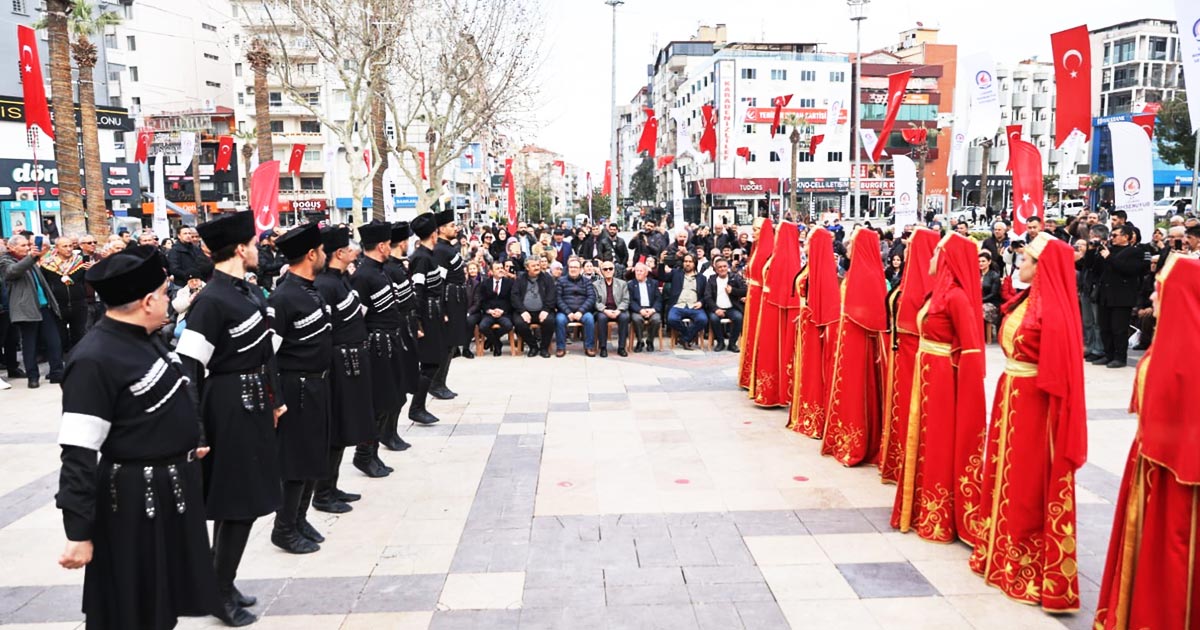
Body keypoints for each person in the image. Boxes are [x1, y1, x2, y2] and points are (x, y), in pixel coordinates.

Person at [54, 245, 220, 630]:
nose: (169, 300)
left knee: (162, 606)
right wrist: (78, 533)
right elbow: (78, 453)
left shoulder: (146, 338)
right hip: (130, 502)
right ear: (147, 301)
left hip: (170, 491)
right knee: (130, 609)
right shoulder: (93, 359)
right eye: (165, 294)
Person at [969, 233, 1087, 612]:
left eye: (1027, 260)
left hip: (1035, 405)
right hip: (1012, 395)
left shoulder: (1053, 311)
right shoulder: (1027, 302)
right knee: (1005, 473)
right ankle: (999, 546)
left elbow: (1060, 373)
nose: (1019, 264)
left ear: (1042, 267)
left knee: (1026, 478)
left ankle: (1026, 558)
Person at [176, 211, 282, 626]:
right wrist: (197, 428)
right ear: (240, 249)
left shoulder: (247, 292)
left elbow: (265, 352)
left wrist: (275, 398)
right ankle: (218, 591)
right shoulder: (212, 301)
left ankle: (224, 578)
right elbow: (189, 368)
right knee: (236, 502)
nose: (258, 249)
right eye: (253, 244)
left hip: (254, 402)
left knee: (245, 500)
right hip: (227, 406)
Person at [1093, 255, 1200, 629]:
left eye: (1159, 292)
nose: (1153, 299)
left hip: (1174, 473)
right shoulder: (1168, 343)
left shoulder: (1191, 355)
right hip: (1148, 461)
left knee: (1173, 549)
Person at [890, 233, 987, 545]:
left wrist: (965, 391)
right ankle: (919, 507)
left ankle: (939, 511)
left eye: (936, 255)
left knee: (938, 440)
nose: (930, 259)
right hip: (926, 372)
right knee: (923, 436)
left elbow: (970, 348)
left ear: (945, 260)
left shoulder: (956, 298)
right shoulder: (936, 295)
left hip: (942, 376)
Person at [266, 224, 332, 555]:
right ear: (310, 254)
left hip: (317, 383)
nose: (324, 255)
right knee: (295, 462)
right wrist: (275, 399)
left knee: (312, 458)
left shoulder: (310, 289)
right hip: (296, 387)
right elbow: (269, 355)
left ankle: (299, 518)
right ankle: (283, 528)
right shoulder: (284, 296)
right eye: (321, 250)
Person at [312, 227, 375, 510]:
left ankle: (332, 486)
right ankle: (322, 494)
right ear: (339, 253)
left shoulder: (342, 280)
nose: (355, 252)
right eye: (350, 248)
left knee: (345, 429)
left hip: (353, 359)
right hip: (338, 362)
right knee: (335, 431)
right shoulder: (325, 284)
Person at [821, 228, 888, 467]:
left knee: (857, 389)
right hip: (847, 339)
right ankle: (843, 436)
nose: (847, 247)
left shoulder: (868, 275)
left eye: (851, 244)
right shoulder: (853, 273)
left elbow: (873, 316)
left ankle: (856, 440)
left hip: (858, 343)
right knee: (846, 387)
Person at [878, 227, 939, 484]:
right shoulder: (906, 281)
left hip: (914, 356)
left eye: (912, 247)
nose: (906, 252)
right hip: (899, 352)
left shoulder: (929, 288)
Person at [350, 221, 410, 479]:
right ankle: (364, 454)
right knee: (378, 402)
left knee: (391, 398)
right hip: (375, 346)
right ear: (383, 245)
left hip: (391, 341)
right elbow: (358, 317)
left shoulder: (381, 271)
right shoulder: (363, 275)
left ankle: (373, 452)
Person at [787, 227, 840, 439]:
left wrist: (808, 314)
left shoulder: (820, 269)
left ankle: (813, 417)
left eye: (808, 241)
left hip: (811, 325)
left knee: (812, 368)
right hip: (804, 322)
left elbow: (823, 301)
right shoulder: (810, 266)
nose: (804, 244)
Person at [0, 234, 63, 387]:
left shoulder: (31, 260)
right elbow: (12, 272)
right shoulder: (5, 261)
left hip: (44, 306)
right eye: (23, 245)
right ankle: (32, 377)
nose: (27, 248)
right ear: (11, 247)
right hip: (26, 309)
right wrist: (31, 257)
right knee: (30, 344)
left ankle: (57, 372)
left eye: (27, 245)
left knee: (54, 341)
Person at [751, 222, 802, 406]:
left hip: (776, 310)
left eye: (779, 232)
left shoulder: (788, 258)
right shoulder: (775, 255)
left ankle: (775, 392)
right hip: (768, 306)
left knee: (774, 350)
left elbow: (787, 291)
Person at [1086, 224, 1150, 368]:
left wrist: (1109, 257)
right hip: (1105, 294)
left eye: (1115, 236)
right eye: (1111, 236)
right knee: (1105, 327)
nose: (1112, 238)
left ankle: (1120, 357)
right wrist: (1092, 251)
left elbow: (1130, 270)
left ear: (1125, 237)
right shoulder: (1107, 250)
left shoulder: (1135, 252)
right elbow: (1093, 268)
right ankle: (1108, 355)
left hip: (1122, 296)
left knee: (1119, 329)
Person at [407, 213, 451, 417]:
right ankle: (416, 407)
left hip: (435, 313)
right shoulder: (421, 258)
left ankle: (419, 406)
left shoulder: (430, 255)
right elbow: (417, 291)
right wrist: (418, 322)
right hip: (426, 315)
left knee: (435, 360)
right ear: (433, 234)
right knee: (429, 362)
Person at [383, 222, 422, 429]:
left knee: (406, 381)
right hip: (398, 327)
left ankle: (392, 430)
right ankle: (388, 431)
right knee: (398, 386)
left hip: (408, 324)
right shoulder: (390, 269)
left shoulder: (400, 266)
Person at [430, 209, 465, 400]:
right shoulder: (440, 251)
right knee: (446, 344)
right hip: (448, 299)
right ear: (441, 229)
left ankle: (441, 382)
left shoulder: (449, 248)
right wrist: (442, 309)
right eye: (452, 226)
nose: (456, 228)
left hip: (456, 298)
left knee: (451, 344)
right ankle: (436, 383)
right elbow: (438, 282)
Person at [738, 218, 775, 392]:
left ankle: (755, 374)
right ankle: (748, 375)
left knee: (756, 333)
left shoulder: (768, 251)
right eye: (753, 229)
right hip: (752, 296)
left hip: (759, 297)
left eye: (757, 229)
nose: (753, 232)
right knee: (750, 333)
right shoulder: (756, 249)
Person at [40, 236, 89, 351]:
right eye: (65, 246)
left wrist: (91, 269)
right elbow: (44, 285)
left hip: (79, 304)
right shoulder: (47, 265)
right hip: (58, 306)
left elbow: (87, 281)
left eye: (70, 246)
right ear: (56, 248)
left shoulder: (80, 262)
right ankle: (65, 362)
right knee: (61, 337)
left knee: (80, 336)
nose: (69, 249)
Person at [662, 253, 709, 352]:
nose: (687, 264)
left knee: (703, 320)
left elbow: (706, 295)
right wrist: (662, 262)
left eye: (690, 261)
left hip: (695, 306)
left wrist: (701, 302)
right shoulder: (676, 273)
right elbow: (662, 277)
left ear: (694, 263)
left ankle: (684, 339)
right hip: (678, 305)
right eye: (685, 261)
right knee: (671, 319)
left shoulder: (702, 278)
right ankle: (688, 336)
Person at [511, 257, 556, 357]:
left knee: (550, 321)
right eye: (533, 265)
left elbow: (551, 295)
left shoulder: (547, 278)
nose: (537, 267)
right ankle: (533, 346)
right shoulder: (520, 279)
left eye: (537, 265)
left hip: (543, 310)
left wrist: (546, 310)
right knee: (519, 323)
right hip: (525, 311)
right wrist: (522, 311)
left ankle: (544, 348)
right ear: (527, 267)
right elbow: (514, 296)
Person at [554, 258, 596, 357]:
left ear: (580, 269)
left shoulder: (586, 282)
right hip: (565, 312)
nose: (573, 269)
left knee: (590, 319)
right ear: (568, 268)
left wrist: (580, 311)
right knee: (559, 320)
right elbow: (558, 298)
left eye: (576, 267)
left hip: (582, 312)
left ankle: (589, 347)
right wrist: (568, 312)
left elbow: (591, 297)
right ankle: (560, 347)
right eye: (571, 267)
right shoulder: (561, 281)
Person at [702, 257, 746, 353]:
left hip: (731, 308)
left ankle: (732, 344)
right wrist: (716, 309)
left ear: (728, 267)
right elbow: (707, 297)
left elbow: (745, 291)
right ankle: (720, 342)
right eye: (720, 267)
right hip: (717, 308)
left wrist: (733, 291)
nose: (722, 269)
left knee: (739, 317)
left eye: (724, 266)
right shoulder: (712, 279)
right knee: (713, 318)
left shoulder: (735, 277)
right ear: (716, 269)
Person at [593, 259, 629, 357]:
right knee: (601, 318)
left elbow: (626, 300)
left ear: (614, 270)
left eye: (610, 268)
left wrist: (618, 310)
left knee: (624, 317)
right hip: (603, 310)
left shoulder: (622, 284)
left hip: (618, 309)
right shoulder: (596, 285)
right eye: (605, 269)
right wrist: (605, 310)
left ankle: (621, 347)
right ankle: (603, 348)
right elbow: (595, 301)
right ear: (601, 271)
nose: (608, 271)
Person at [477, 261, 513, 356]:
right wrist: (489, 310)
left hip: (504, 312)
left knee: (508, 325)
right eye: (497, 268)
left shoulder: (509, 283)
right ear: (491, 272)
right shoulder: (485, 283)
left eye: (502, 268)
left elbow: (511, 300)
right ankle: (497, 343)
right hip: (489, 312)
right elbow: (482, 300)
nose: (501, 270)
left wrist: (503, 311)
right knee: (482, 326)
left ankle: (491, 340)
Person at [627, 262, 662, 352]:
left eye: (641, 271)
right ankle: (640, 341)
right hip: (638, 309)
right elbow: (630, 301)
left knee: (656, 319)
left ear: (646, 273)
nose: (638, 273)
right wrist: (640, 310)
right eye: (637, 271)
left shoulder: (653, 283)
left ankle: (650, 341)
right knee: (636, 319)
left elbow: (658, 299)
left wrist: (653, 310)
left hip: (651, 308)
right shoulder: (630, 284)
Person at [980, 250, 1003, 330]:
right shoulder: (976, 274)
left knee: (982, 309)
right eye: (979, 261)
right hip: (977, 301)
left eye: (983, 261)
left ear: (989, 262)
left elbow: (994, 294)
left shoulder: (994, 276)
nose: (981, 263)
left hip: (991, 302)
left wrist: (980, 300)